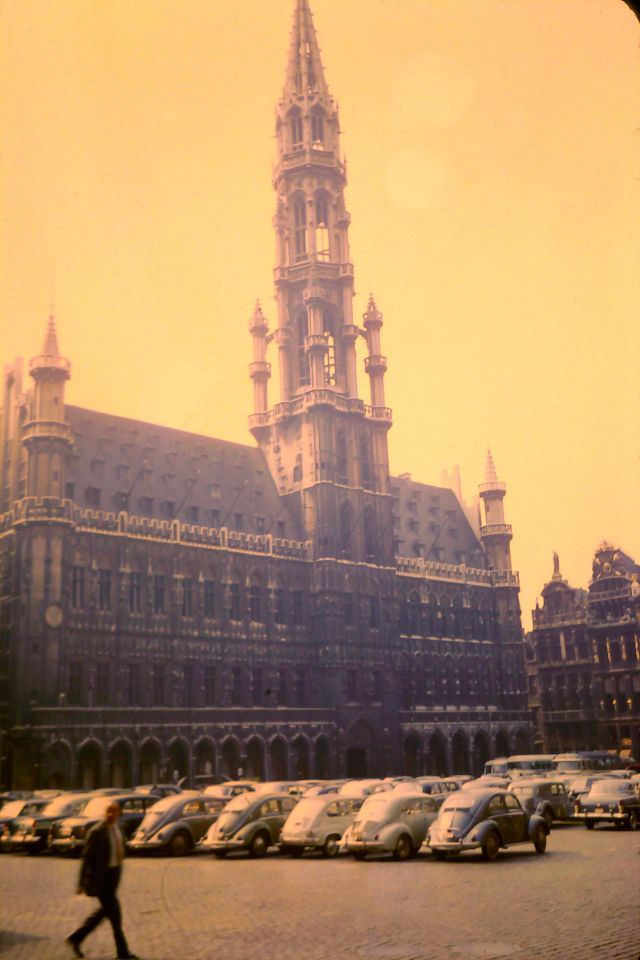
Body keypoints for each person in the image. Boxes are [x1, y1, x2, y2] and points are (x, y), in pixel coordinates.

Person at [66, 800, 138, 959]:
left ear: (119, 812)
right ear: (104, 813)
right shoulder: (97, 832)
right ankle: (123, 953)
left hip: (114, 877)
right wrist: (81, 884)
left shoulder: (119, 828)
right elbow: (86, 859)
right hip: (101, 880)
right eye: (108, 811)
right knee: (115, 915)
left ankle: (77, 937)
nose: (111, 814)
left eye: (114, 811)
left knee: (105, 913)